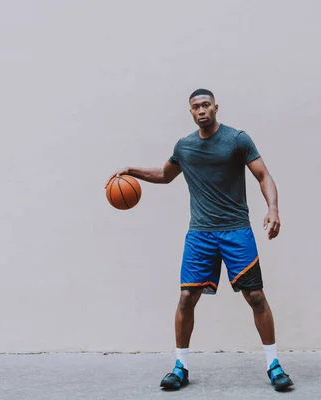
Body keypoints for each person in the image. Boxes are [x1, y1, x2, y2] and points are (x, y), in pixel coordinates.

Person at [106, 89, 293, 392]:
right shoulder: (185, 147)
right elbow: (165, 175)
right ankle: (180, 366)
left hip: (236, 231)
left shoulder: (237, 140)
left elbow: (264, 176)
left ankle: (274, 365)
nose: (201, 110)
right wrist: (132, 171)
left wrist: (273, 208)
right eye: (195, 107)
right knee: (185, 298)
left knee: (256, 297)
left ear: (216, 107)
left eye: (206, 105)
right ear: (191, 112)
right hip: (200, 234)